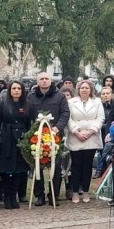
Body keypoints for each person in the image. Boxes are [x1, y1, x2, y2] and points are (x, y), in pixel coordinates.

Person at [27, 72, 70, 206]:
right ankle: (39, 195)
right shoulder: (30, 97)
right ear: (37, 81)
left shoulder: (60, 96)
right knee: (36, 166)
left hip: (54, 136)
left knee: (56, 167)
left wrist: (58, 127)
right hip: (36, 137)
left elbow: (65, 113)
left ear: (50, 81)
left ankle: (53, 195)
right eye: (41, 79)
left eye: (46, 79)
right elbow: (27, 115)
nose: (44, 81)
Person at [0, 81, 33, 210]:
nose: (16, 91)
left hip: (21, 137)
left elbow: (28, 124)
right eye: (14, 88)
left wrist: (29, 140)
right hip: (7, 138)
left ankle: (14, 195)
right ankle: (7, 196)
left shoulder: (26, 104)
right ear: (10, 90)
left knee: (19, 169)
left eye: (19, 88)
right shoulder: (3, 104)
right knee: (7, 168)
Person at [66, 80, 104, 203]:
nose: (84, 90)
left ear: (91, 90)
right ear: (78, 89)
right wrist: (76, 131)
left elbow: (100, 118)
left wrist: (90, 131)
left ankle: (86, 192)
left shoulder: (97, 102)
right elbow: (68, 118)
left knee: (87, 166)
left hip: (91, 137)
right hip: (75, 137)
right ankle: (75, 192)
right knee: (76, 165)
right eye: (82, 87)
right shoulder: (71, 102)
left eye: (87, 88)